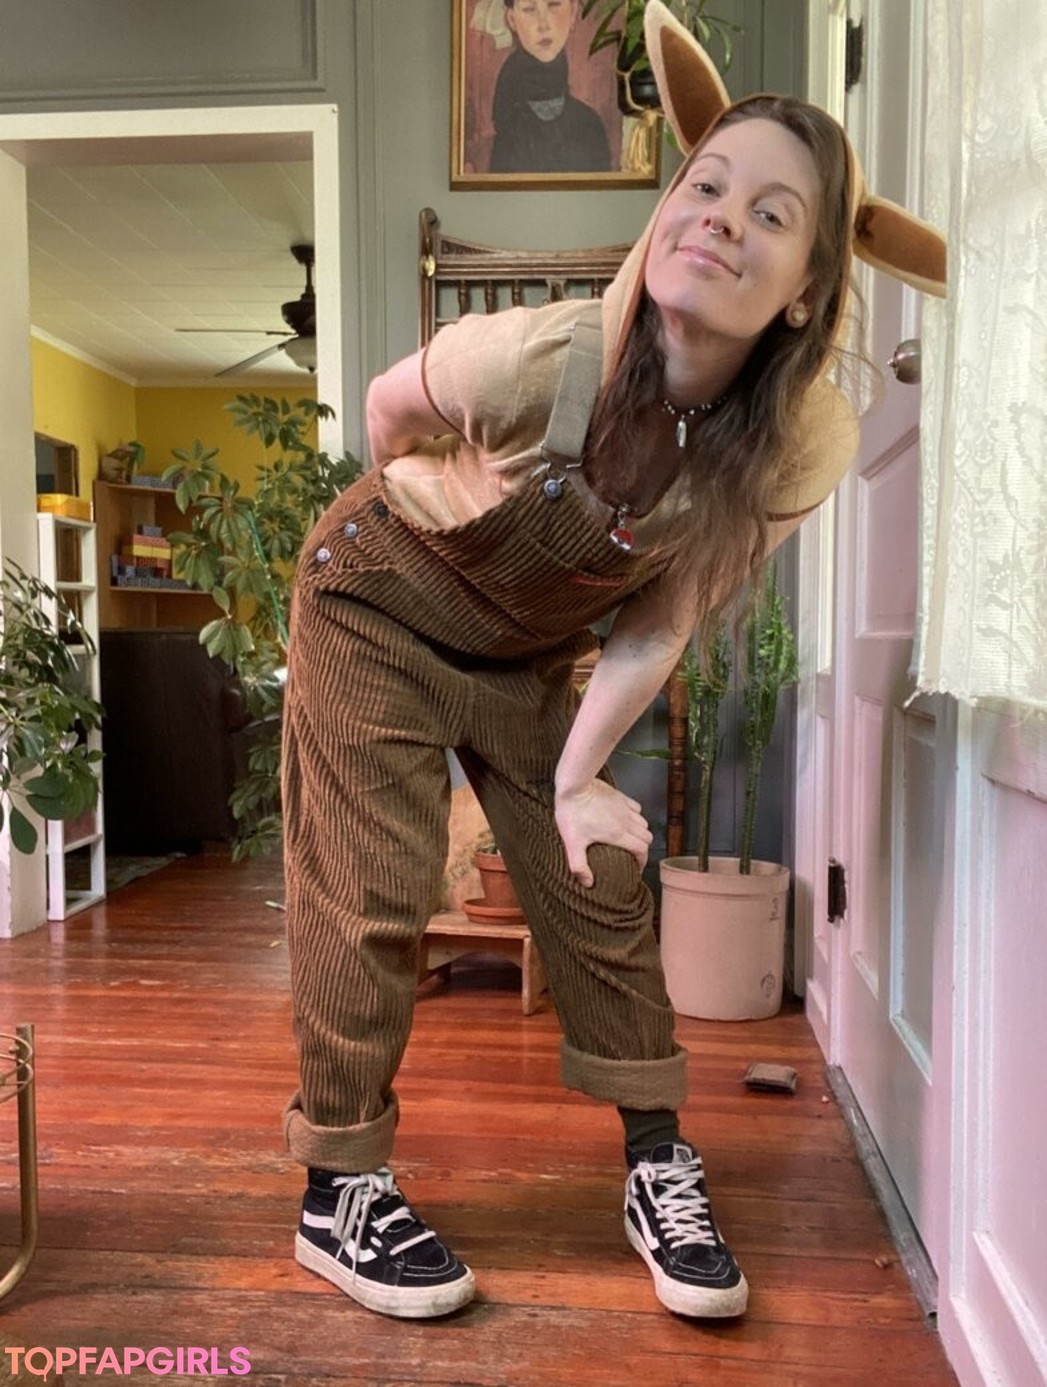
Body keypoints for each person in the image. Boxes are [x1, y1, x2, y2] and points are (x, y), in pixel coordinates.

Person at [281, 0, 945, 1324]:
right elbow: (385, 414)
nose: (723, 219)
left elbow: (659, 617)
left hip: (523, 654)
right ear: (668, 205)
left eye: (771, 212)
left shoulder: (799, 440)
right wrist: (439, 521)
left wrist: (579, 778)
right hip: (377, 605)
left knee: (598, 882)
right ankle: (337, 1189)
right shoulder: (542, 353)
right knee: (372, 887)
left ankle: (657, 1163)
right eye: (708, 186)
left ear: (808, 287)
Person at [489, 0, 613, 174]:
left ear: (573, 13)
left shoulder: (590, 126)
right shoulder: (506, 122)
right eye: (529, 9)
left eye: (554, 5)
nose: (543, 25)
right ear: (511, 19)